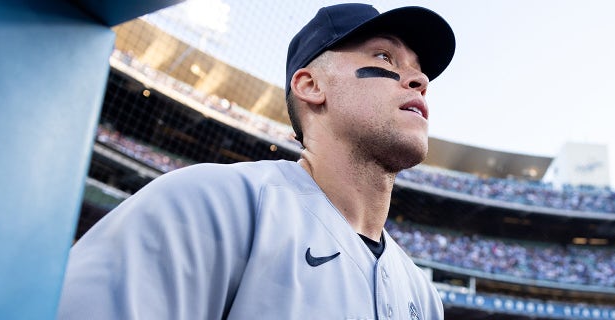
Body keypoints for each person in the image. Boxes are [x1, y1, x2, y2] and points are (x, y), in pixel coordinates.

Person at [57, 3, 455, 319]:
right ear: (311, 85)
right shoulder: (209, 204)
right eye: (385, 56)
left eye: (419, 71)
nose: (419, 80)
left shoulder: (422, 294)